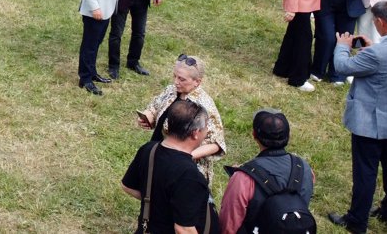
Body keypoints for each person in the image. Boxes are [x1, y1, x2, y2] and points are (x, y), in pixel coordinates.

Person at [328, 0, 387, 233]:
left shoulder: (377, 53)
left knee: (365, 173)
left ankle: (357, 221)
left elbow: (343, 66)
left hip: (370, 124)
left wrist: (343, 45)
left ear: (380, 21)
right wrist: (371, 47)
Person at [122, 99, 220, 234]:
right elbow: (183, 229)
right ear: (196, 132)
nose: (207, 130)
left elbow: (127, 186)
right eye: (206, 127)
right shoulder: (190, 176)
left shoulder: (149, 149)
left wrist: (157, 203)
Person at [219, 110, 315, 234]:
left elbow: (228, 226)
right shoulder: (305, 168)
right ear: (288, 136)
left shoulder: (242, 178)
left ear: (254, 135)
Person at [136, 54, 227, 185]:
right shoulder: (171, 90)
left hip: (185, 170)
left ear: (197, 81)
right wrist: (148, 116)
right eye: (175, 76)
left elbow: (217, 144)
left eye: (182, 79)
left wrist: (185, 157)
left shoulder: (204, 106)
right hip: (161, 156)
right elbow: (155, 107)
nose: (176, 82)